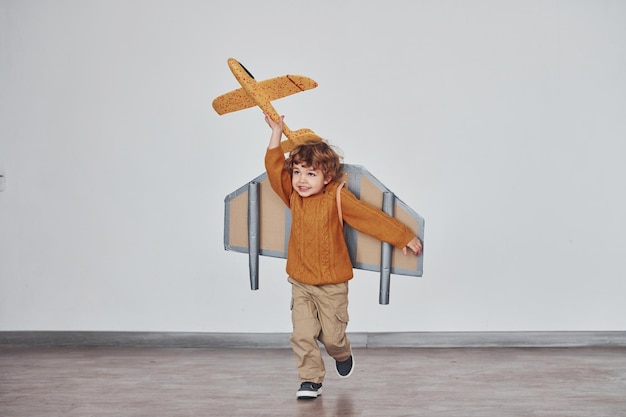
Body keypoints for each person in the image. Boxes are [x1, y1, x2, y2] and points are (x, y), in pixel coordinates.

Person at [264, 114, 423, 400]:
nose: (301, 180)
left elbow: (368, 218)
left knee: (332, 339)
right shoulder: (293, 195)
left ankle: (342, 352)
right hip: (301, 282)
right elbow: (275, 169)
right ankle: (310, 380)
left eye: (310, 174)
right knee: (302, 335)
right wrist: (276, 132)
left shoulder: (336, 196)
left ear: (327, 177)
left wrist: (403, 236)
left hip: (332, 286)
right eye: (298, 172)